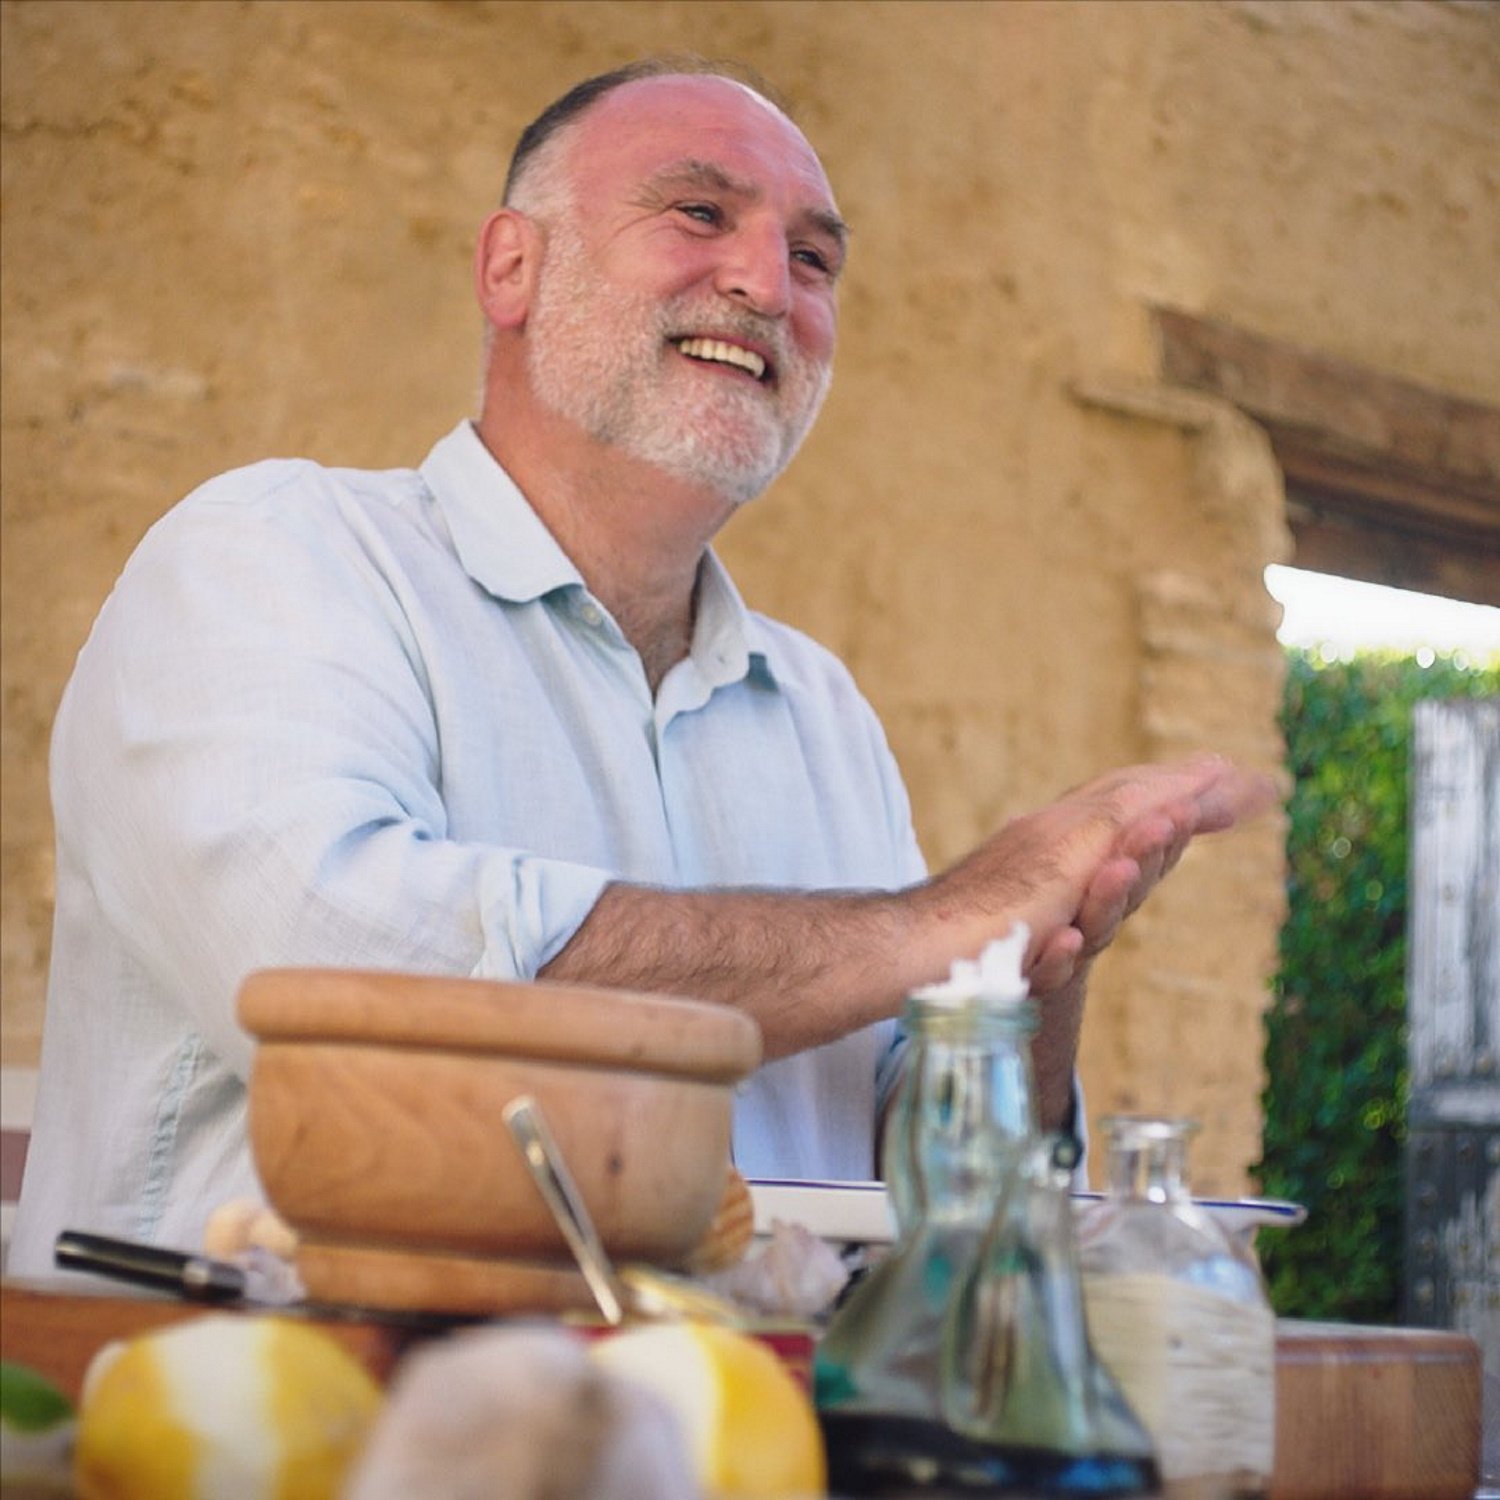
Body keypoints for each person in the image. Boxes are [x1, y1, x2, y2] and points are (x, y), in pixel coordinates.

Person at [8, 58, 1274, 1274]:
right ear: (513, 266)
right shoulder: (277, 555)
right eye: (698, 212)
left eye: (816, 258)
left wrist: (1024, 974)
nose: (769, 286)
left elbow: (931, 1199)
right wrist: (942, 919)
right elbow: (334, 981)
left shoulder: (822, 709)